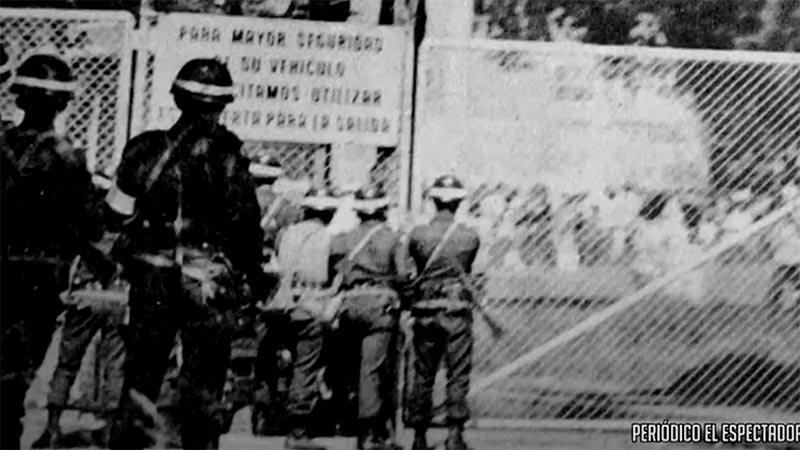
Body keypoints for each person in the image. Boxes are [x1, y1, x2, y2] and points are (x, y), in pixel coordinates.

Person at [105, 58, 265, 449]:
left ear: (176, 96)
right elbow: (245, 226)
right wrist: (254, 276)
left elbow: (115, 213)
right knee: (204, 383)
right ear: (223, 105)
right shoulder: (228, 153)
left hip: (152, 272)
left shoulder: (144, 147)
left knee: (142, 376)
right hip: (206, 275)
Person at [0, 53, 112, 449]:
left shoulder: (3, 146)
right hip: (40, 278)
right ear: (64, 104)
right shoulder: (67, 157)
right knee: (16, 375)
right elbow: (90, 226)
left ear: (19, 98)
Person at [32, 181, 127, 449]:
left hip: (85, 297)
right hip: (117, 299)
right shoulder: (128, 229)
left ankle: (52, 425)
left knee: (67, 363)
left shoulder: (88, 226)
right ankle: (108, 426)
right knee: (115, 363)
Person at [405, 175, 480, 450]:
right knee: (457, 373)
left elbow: (409, 269)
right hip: (455, 310)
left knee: (423, 373)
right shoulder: (469, 237)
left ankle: (418, 436)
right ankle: (455, 434)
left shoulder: (418, 234)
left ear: (434, 201)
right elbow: (468, 268)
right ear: (459, 202)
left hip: (425, 309)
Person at [329, 186, 405, 450]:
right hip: (379, 306)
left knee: (351, 367)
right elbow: (404, 275)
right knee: (373, 369)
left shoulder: (342, 239)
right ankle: (369, 435)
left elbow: (335, 270)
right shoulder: (393, 239)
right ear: (383, 209)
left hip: (349, 306)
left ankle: (348, 421)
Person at [273, 187, 340, 450]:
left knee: (285, 363)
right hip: (312, 306)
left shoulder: (287, 233)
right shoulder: (328, 238)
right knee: (306, 366)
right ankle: (298, 429)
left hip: (283, 304)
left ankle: (273, 416)